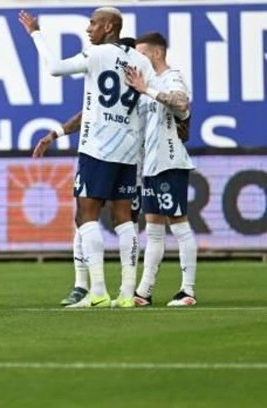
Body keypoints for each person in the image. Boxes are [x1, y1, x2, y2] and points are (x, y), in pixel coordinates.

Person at [21, 7, 154, 308]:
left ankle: (97, 291)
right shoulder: (141, 61)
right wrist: (57, 132)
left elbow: (55, 68)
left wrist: (36, 34)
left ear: (109, 27)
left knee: (86, 215)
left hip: (98, 148)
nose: (88, 29)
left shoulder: (97, 54)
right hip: (128, 151)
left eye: (93, 23)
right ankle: (126, 294)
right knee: (124, 219)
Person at [125, 32, 197, 307]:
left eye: (142, 54)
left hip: (170, 163)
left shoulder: (171, 77)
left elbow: (181, 104)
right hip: (151, 166)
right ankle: (144, 291)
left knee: (179, 225)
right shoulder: (146, 85)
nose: (139, 59)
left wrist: (147, 90)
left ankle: (187, 290)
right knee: (153, 228)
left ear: (156, 53)